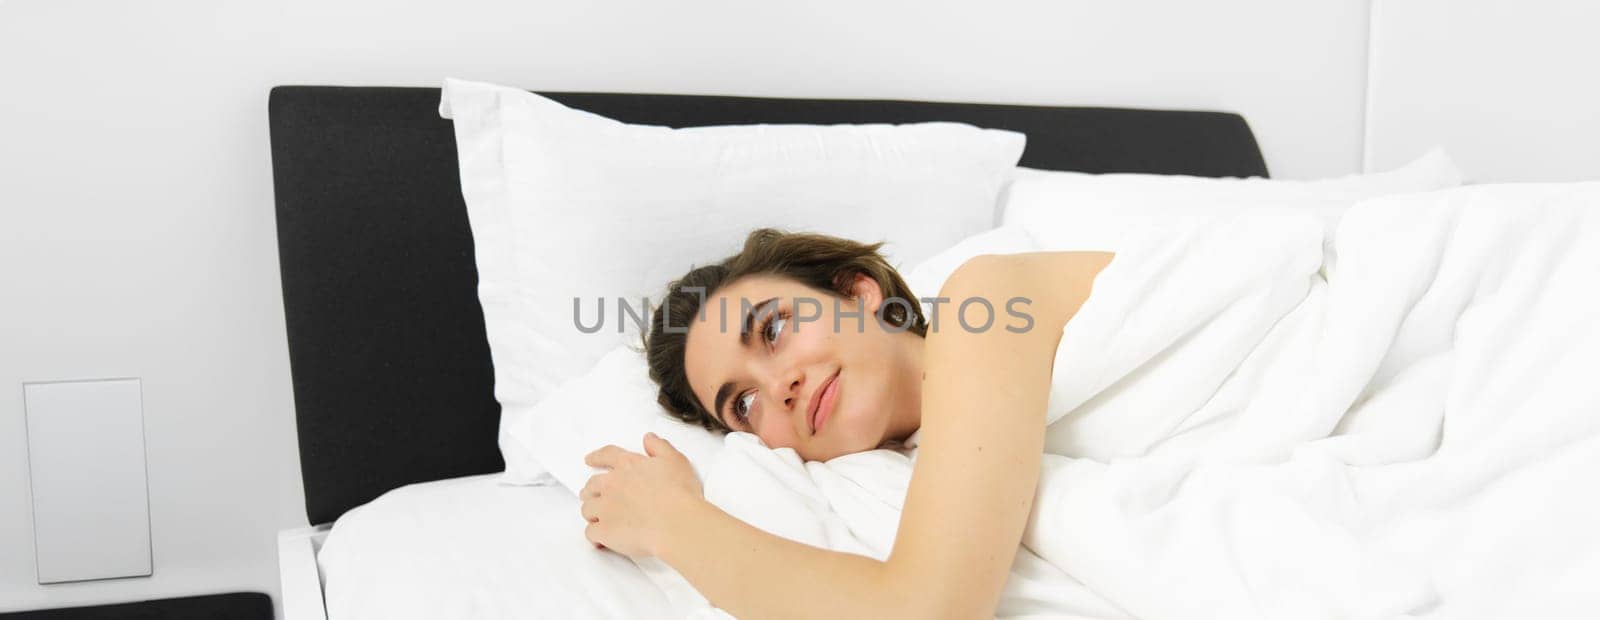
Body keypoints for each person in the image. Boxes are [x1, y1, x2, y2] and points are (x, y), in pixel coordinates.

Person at [579, 228, 1113, 617]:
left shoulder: (985, 297)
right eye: (743, 405)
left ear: (859, 293)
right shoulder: (884, 488)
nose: (777, 387)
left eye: (773, 328)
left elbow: (927, 611)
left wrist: (670, 523)